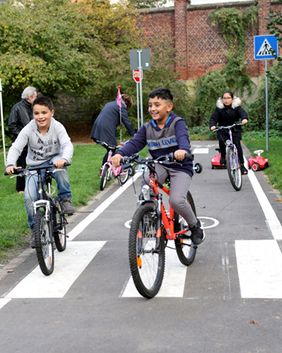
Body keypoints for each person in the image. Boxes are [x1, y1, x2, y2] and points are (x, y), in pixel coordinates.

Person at [111, 88, 204, 245]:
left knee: (176, 200)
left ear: (169, 107)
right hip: (160, 164)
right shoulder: (147, 128)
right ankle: (150, 218)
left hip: (180, 166)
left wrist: (182, 150)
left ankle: (195, 226)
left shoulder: (177, 123)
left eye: (157, 104)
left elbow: (183, 139)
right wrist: (120, 154)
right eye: (150, 105)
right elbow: (134, 143)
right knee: (148, 183)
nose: (152, 109)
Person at [5, 96, 75, 246]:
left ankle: (65, 199)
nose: (40, 116)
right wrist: (10, 164)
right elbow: (16, 147)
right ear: (33, 115)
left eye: (44, 112)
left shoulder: (58, 127)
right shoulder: (28, 129)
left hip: (54, 161)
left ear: (52, 112)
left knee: (61, 171)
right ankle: (35, 230)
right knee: (29, 198)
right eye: (36, 113)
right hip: (34, 165)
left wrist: (64, 159)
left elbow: (67, 145)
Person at [90, 94, 135, 171]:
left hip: (97, 126)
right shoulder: (121, 107)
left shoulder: (111, 104)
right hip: (105, 128)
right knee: (113, 148)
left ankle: (104, 169)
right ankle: (104, 169)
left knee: (111, 149)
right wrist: (134, 135)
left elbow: (110, 118)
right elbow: (127, 122)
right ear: (127, 103)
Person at [209, 90, 248, 175]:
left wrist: (244, 119)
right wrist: (212, 125)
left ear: (232, 99)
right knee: (222, 141)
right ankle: (223, 156)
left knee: (237, 145)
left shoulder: (236, 107)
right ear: (222, 99)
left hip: (235, 128)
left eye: (228, 98)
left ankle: (241, 165)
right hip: (223, 129)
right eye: (224, 98)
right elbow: (213, 118)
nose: (226, 100)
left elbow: (243, 113)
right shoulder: (219, 109)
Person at [8, 86, 38, 192]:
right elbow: (12, 125)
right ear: (29, 97)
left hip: (34, 141)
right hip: (22, 142)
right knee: (21, 164)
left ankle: (36, 184)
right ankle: (20, 188)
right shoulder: (17, 108)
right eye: (35, 95)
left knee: (36, 163)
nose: (36, 97)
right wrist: (22, 135)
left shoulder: (34, 107)